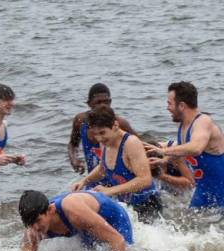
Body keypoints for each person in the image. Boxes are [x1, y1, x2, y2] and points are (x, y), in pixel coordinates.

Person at [72, 106, 162, 222]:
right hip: (126, 204)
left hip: (147, 205)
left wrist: (110, 190)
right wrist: (84, 181)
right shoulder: (105, 142)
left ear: (115, 126)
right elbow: (102, 169)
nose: (99, 138)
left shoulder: (131, 143)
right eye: (95, 134)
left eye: (102, 132)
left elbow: (145, 179)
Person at [146, 81, 224, 209]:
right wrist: (163, 161)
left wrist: (163, 152)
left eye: (169, 103)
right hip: (202, 192)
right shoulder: (183, 126)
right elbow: (183, 152)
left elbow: (196, 148)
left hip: (221, 192)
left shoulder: (203, 121)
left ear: (181, 105)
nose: (167, 108)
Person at [17, 190, 132, 251]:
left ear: (50, 210)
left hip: (112, 216)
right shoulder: (33, 230)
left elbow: (117, 240)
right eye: (30, 224)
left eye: (38, 221)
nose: (36, 228)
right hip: (84, 222)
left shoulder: (75, 214)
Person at [68, 83, 136, 176]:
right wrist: (74, 160)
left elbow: (140, 146)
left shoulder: (120, 123)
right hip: (94, 179)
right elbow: (73, 144)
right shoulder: (80, 121)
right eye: (98, 102)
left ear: (110, 102)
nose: (102, 106)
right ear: (89, 104)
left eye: (106, 102)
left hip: (120, 180)